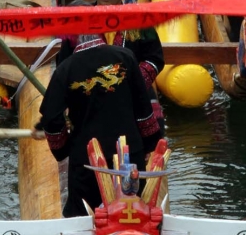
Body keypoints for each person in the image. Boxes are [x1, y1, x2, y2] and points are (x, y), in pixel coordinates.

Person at [35, 36, 161, 218]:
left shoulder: (65, 70)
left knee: (83, 217)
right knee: (134, 213)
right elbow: (143, 107)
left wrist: (62, 149)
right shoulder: (126, 57)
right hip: (130, 154)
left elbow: (52, 120)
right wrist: (149, 144)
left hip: (87, 158)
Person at [57, 0, 166, 131]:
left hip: (132, 95)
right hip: (90, 96)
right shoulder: (79, 22)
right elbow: (63, 64)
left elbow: (154, 59)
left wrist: (132, 82)